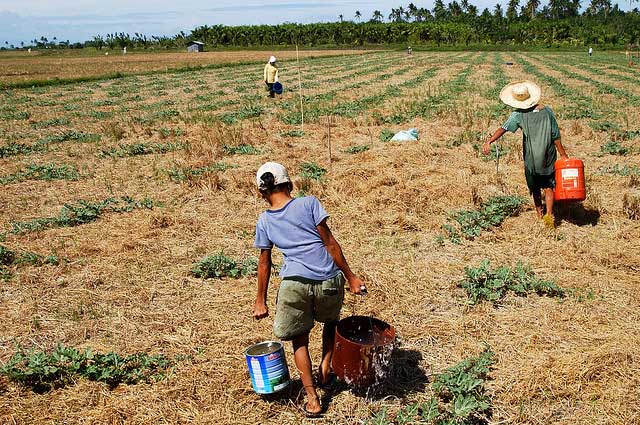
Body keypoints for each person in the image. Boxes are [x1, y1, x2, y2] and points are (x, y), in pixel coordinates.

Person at [252, 162, 365, 417]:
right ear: (290, 184)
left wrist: (261, 300)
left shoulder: (265, 220)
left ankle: (312, 397)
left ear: (262, 193)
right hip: (328, 279)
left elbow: (264, 262)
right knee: (331, 323)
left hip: (294, 285)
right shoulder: (309, 203)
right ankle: (326, 366)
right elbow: (330, 243)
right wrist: (351, 277)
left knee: (299, 339)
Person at [483, 81, 569, 227]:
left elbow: (503, 128)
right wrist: (563, 155)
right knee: (549, 185)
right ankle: (549, 215)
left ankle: (539, 215)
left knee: (534, 186)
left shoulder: (518, 115)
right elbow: (556, 135)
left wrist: (489, 141)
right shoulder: (547, 111)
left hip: (531, 158)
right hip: (548, 155)